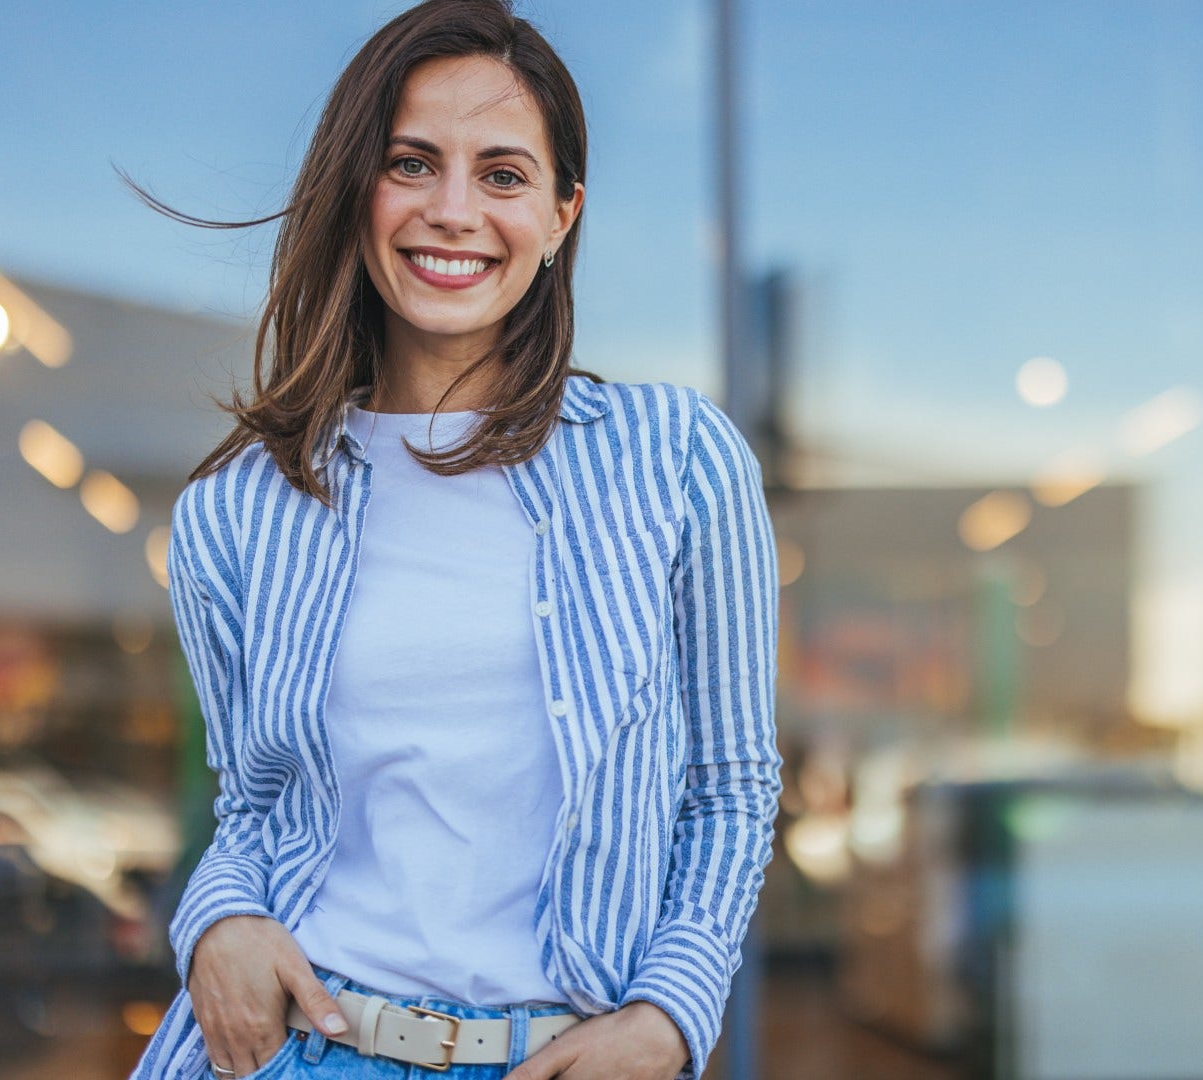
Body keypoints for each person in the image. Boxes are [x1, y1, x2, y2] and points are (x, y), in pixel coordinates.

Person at [120, 3, 783, 1077]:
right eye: (412, 163)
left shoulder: (679, 460)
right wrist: (218, 922)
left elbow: (731, 786)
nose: (454, 210)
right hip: (298, 1050)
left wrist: (672, 1017)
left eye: (505, 175)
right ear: (357, 190)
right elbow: (250, 804)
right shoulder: (238, 508)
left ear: (564, 212)